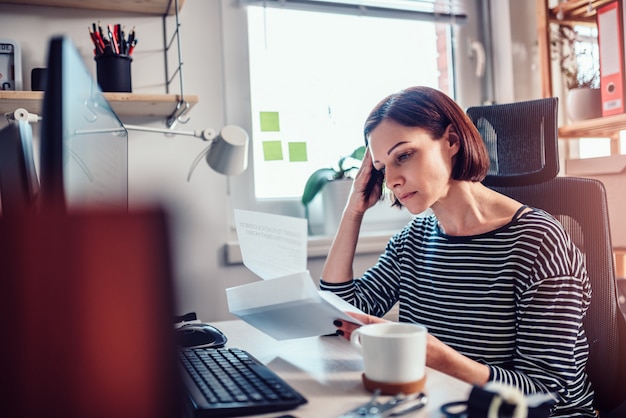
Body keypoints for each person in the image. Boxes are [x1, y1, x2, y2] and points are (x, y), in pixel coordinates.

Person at [320, 86, 595, 417]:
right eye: (381, 167)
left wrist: (439, 358)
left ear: (451, 141)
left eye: (403, 155)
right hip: (442, 405)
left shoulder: (537, 241)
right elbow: (338, 315)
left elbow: (548, 390)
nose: (391, 179)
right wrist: (353, 211)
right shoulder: (413, 240)